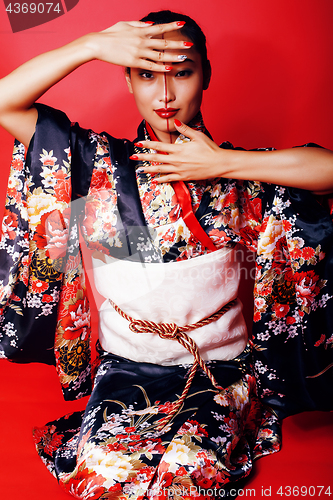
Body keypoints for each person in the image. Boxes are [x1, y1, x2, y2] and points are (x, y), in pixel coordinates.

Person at [0, 9, 332, 500]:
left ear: (206, 74)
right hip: (130, 366)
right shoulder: (99, 166)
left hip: (218, 370)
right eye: (146, 74)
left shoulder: (241, 175)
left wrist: (225, 163)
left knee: (188, 466)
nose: (165, 95)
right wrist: (91, 44)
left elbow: (326, 170)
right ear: (128, 80)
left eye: (182, 72)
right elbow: (5, 104)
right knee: (104, 468)